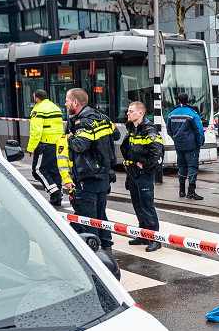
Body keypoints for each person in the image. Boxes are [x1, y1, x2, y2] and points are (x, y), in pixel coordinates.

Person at [65, 87, 117, 252]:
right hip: (103, 174)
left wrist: (70, 137)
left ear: (75, 102)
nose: (65, 104)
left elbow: (80, 145)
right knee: (101, 214)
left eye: (67, 100)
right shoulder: (102, 117)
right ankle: (107, 246)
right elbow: (115, 134)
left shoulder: (84, 122)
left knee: (88, 218)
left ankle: (93, 252)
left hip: (88, 176)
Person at [120, 101, 163, 252]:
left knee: (147, 206)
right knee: (138, 206)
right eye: (128, 111)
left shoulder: (148, 129)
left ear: (140, 113)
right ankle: (143, 234)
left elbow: (157, 150)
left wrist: (145, 165)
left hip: (144, 174)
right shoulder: (132, 127)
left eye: (131, 111)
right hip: (133, 173)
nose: (128, 113)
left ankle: (154, 239)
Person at [26, 89, 65, 206]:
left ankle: (55, 192)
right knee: (54, 171)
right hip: (56, 144)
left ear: (37, 98)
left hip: (45, 144)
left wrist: (31, 147)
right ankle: (56, 199)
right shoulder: (55, 107)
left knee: (37, 170)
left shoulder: (38, 109)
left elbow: (36, 131)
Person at [167, 93, 204, 200]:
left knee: (182, 167)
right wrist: (199, 143)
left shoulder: (171, 114)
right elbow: (199, 130)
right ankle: (191, 192)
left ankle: (181, 191)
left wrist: (176, 139)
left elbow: (169, 130)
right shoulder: (192, 114)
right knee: (192, 167)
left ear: (178, 101)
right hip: (191, 146)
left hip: (179, 146)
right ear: (188, 100)